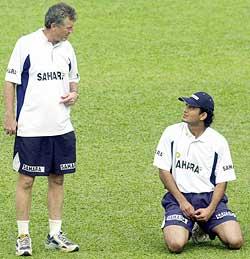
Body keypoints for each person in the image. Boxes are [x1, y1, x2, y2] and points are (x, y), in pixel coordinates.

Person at [4, 2, 80, 256]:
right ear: (53, 25)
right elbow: (11, 81)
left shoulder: (67, 48)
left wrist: (73, 95)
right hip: (31, 127)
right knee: (26, 180)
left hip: (60, 127)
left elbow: (74, 81)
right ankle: (23, 236)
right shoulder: (25, 44)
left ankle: (55, 234)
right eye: (68, 28)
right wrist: (9, 116)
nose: (71, 32)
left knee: (57, 178)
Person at [153, 92, 244, 253]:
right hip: (178, 198)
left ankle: (203, 225)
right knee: (175, 245)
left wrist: (210, 209)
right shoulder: (171, 133)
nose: (186, 110)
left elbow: (222, 181)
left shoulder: (218, 142)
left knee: (235, 241)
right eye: (186, 106)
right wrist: (182, 201)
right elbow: (163, 171)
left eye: (191, 107)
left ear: (203, 115)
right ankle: (185, 224)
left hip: (209, 199)